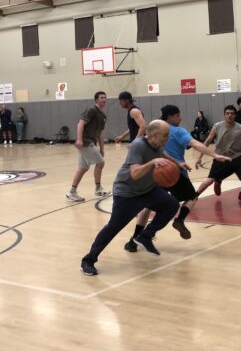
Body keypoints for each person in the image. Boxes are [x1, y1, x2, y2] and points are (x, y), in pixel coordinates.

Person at [124, 105, 232, 252]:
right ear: (170, 116)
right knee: (192, 197)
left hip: (155, 172)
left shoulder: (155, 128)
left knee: (148, 206)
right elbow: (195, 144)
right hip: (175, 173)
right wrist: (214, 155)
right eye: (178, 115)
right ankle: (180, 219)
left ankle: (134, 241)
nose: (180, 118)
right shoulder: (178, 131)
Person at [80, 120, 180, 276]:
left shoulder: (157, 144)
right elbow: (135, 174)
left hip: (147, 190)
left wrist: (177, 163)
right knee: (113, 227)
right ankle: (88, 260)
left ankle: (145, 236)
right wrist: (152, 163)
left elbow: (161, 154)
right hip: (128, 193)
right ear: (154, 135)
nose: (167, 138)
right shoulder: (138, 145)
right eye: (165, 135)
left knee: (172, 205)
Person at [195, 105, 241, 213]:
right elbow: (207, 141)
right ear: (224, 115)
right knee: (209, 181)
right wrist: (199, 158)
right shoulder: (217, 126)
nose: (230, 115)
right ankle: (193, 198)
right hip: (221, 157)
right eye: (227, 113)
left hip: (237, 157)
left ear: (235, 115)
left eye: (232, 113)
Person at [66, 91, 110, 202]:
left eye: (105, 98)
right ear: (96, 100)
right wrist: (79, 139)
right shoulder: (92, 110)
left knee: (83, 168)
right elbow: (80, 123)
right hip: (86, 142)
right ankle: (98, 188)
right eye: (101, 97)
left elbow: (101, 133)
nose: (104, 99)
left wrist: (102, 148)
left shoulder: (103, 116)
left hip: (92, 142)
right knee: (100, 163)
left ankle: (72, 192)